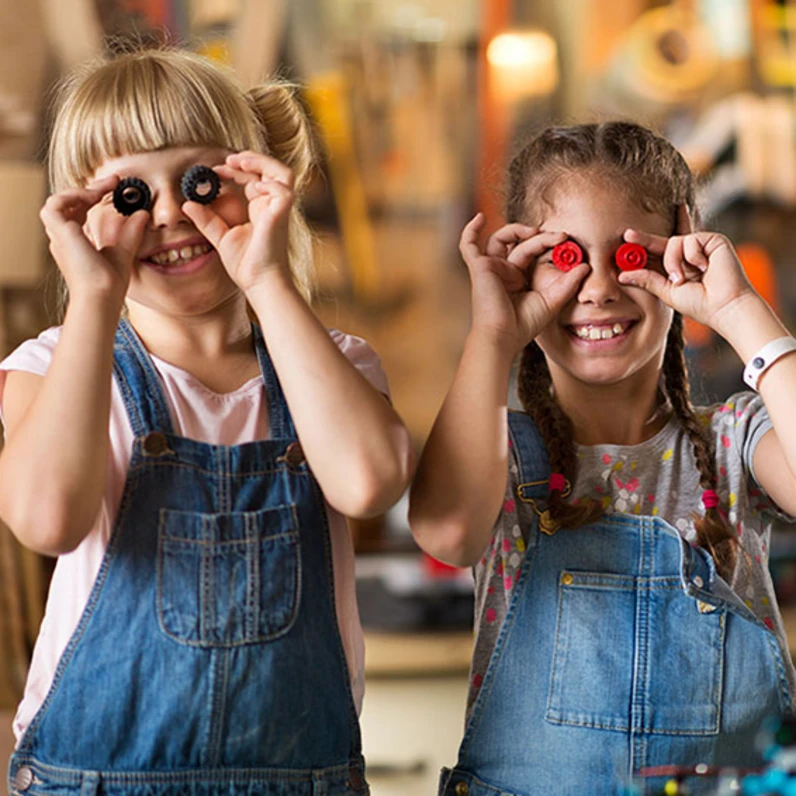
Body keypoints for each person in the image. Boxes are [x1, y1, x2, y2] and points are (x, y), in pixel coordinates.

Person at [0, 45, 413, 796]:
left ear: (257, 181)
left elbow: (369, 483)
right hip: (90, 778)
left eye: (201, 183)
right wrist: (94, 297)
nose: (168, 215)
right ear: (79, 216)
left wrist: (265, 274)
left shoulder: (332, 364)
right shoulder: (53, 365)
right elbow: (45, 521)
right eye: (128, 193)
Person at [408, 121, 796, 795]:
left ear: (683, 249)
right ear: (522, 265)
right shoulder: (500, 453)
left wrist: (737, 309)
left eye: (626, 258)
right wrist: (493, 333)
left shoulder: (739, 442)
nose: (596, 290)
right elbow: (445, 529)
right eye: (564, 259)